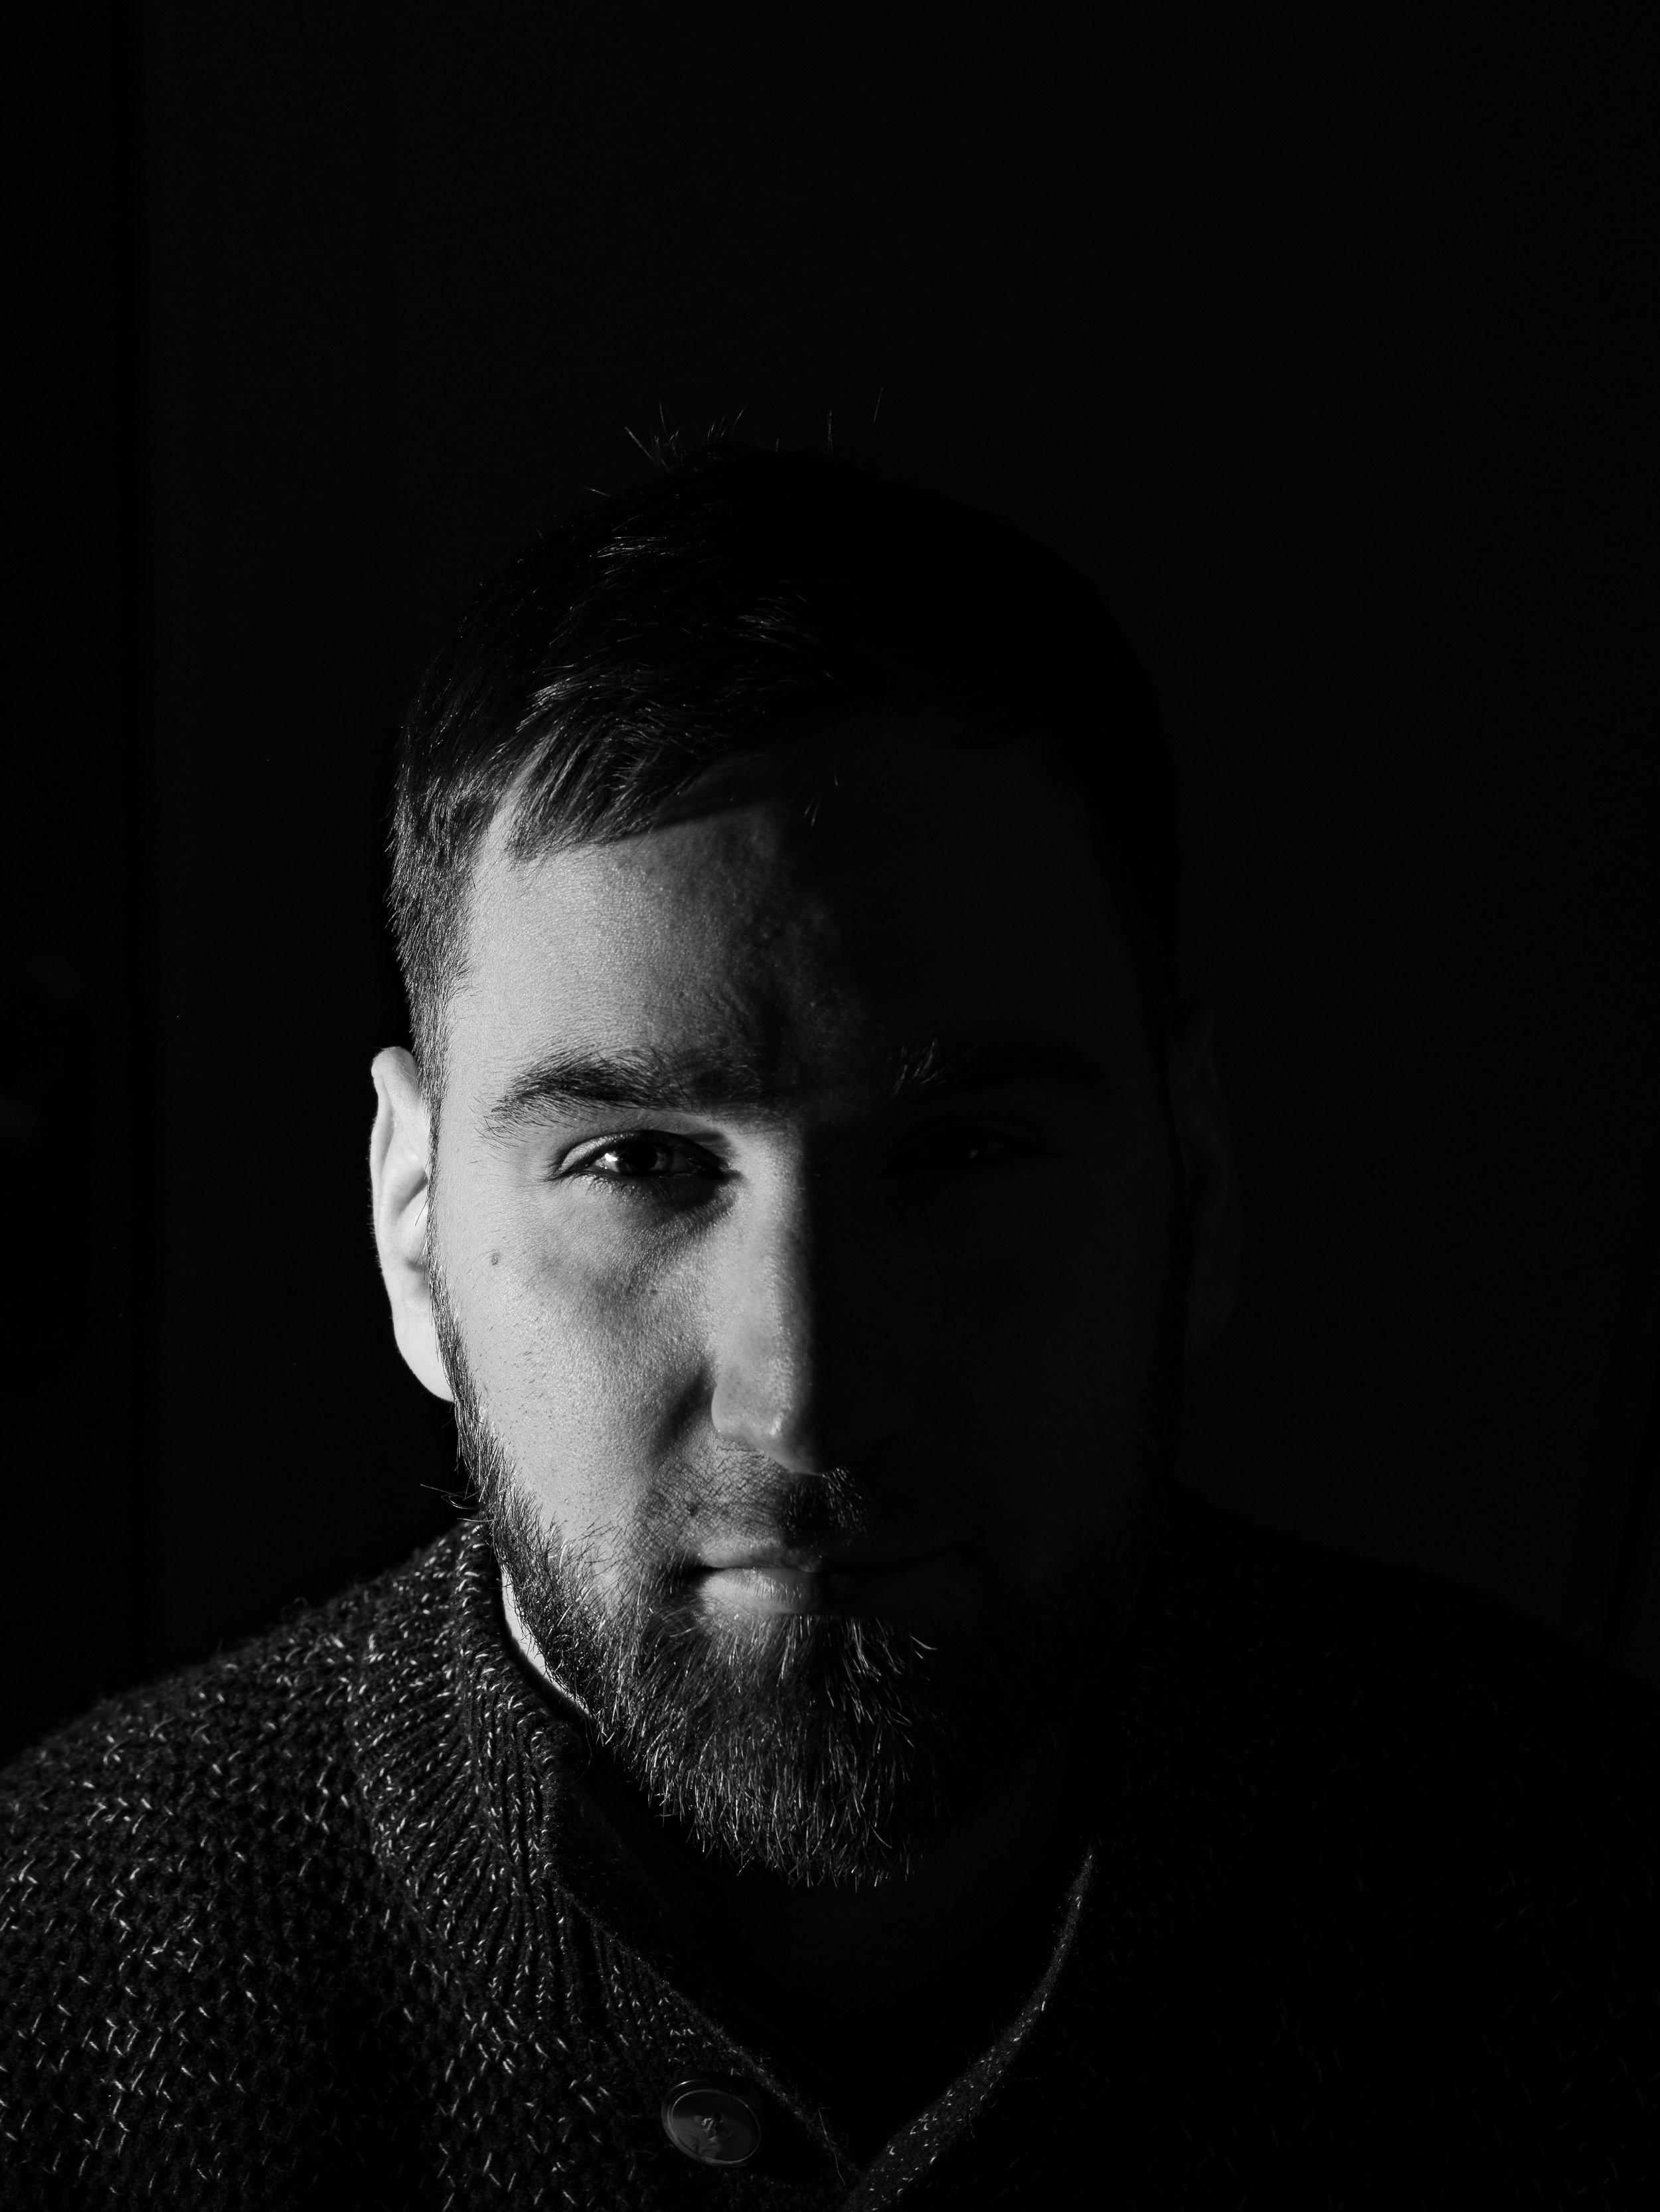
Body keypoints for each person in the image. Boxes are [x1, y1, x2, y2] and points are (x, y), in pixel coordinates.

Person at [1, 442, 1653, 2208]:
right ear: (413, 1224)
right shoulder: (52, 1991)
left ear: (1196, 1182)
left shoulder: (1576, 1915)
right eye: (636, 1161)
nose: (809, 1400)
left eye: (956, 1155)